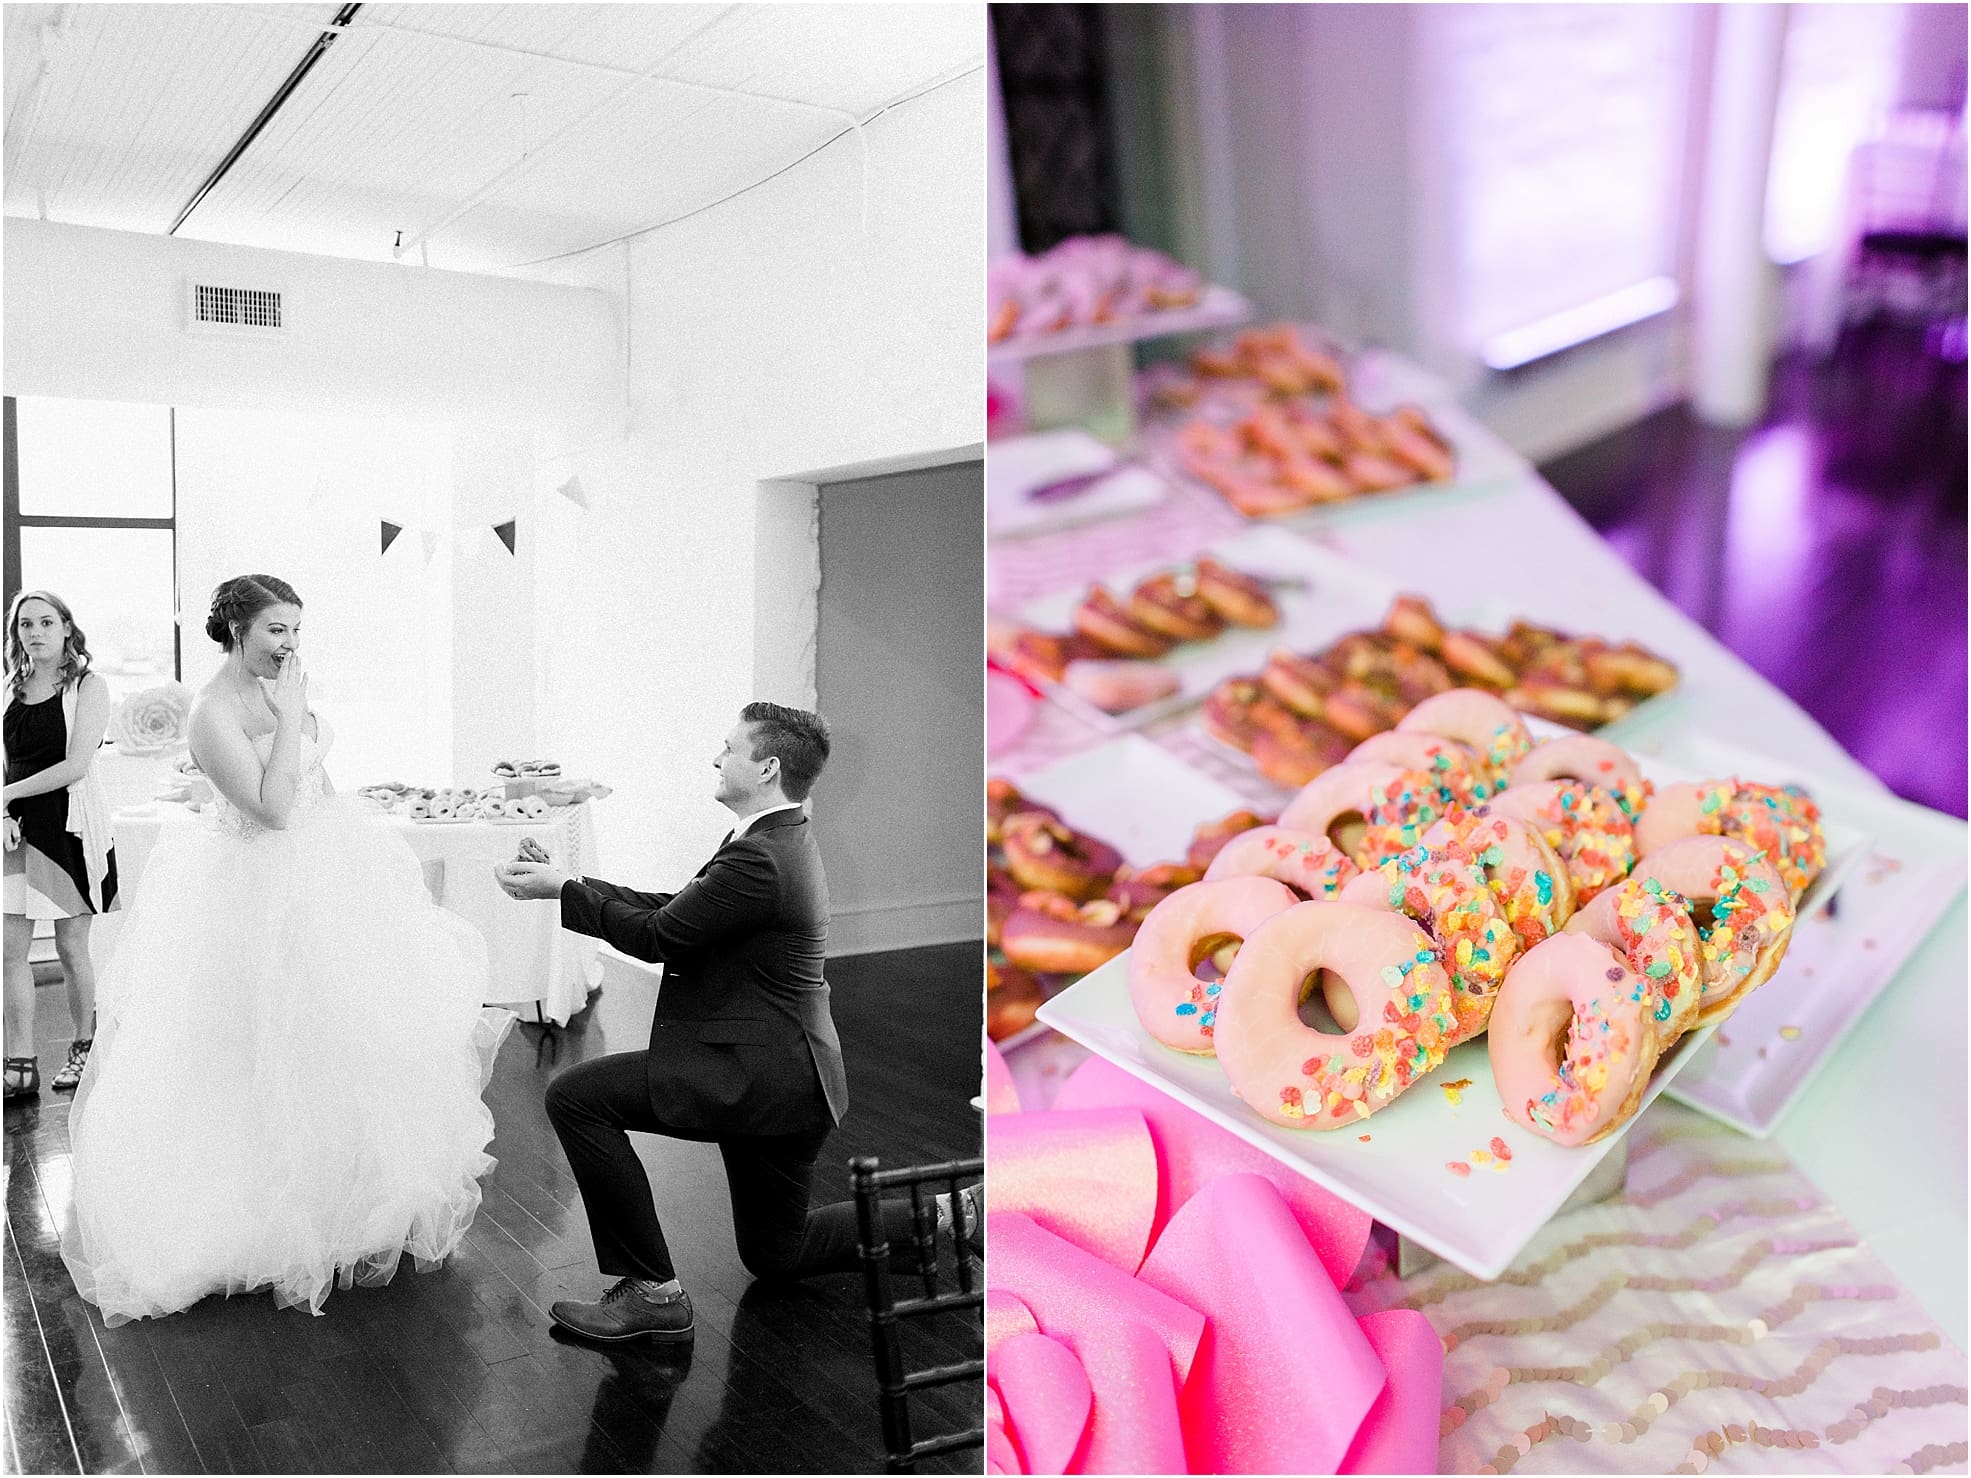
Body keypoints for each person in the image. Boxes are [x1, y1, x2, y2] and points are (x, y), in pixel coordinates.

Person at [60, 574, 513, 1324]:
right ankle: (260, 1217)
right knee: (252, 1044)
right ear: (236, 629)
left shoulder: (281, 690)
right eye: (277, 630)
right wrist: (296, 714)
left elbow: (313, 786)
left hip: (319, 878)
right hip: (248, 892)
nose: (291, 645)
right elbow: (269, 810)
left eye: (297, 630)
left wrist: (350, 857)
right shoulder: (212, 713)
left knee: (338, 1037)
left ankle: (346, 1198)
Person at [495, 701, 968, 1343]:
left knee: (577, 1098)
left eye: (729, 748)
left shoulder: (760, 857)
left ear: (767, 766)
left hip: (762, 1076)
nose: (717, 758)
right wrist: (569, 881)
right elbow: (681, 911)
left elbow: (662, 935)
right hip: (793, 1077)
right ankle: (944, 1216)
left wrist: (561, 891)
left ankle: (654, 1295)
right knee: (778, 1253)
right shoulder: (769, 838)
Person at [4, 590, 118, 1101]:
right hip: (15, 830)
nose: (35, 632)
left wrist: (5, 795)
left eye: (46, 622)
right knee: (10, 951)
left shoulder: (89, 686)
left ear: (67, 629)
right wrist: (3, 809)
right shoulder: (10, 687)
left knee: (72, 947)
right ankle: (19, 1064)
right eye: (25, 624)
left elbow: (77, 765)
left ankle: (84, 1048)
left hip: (67, 825)